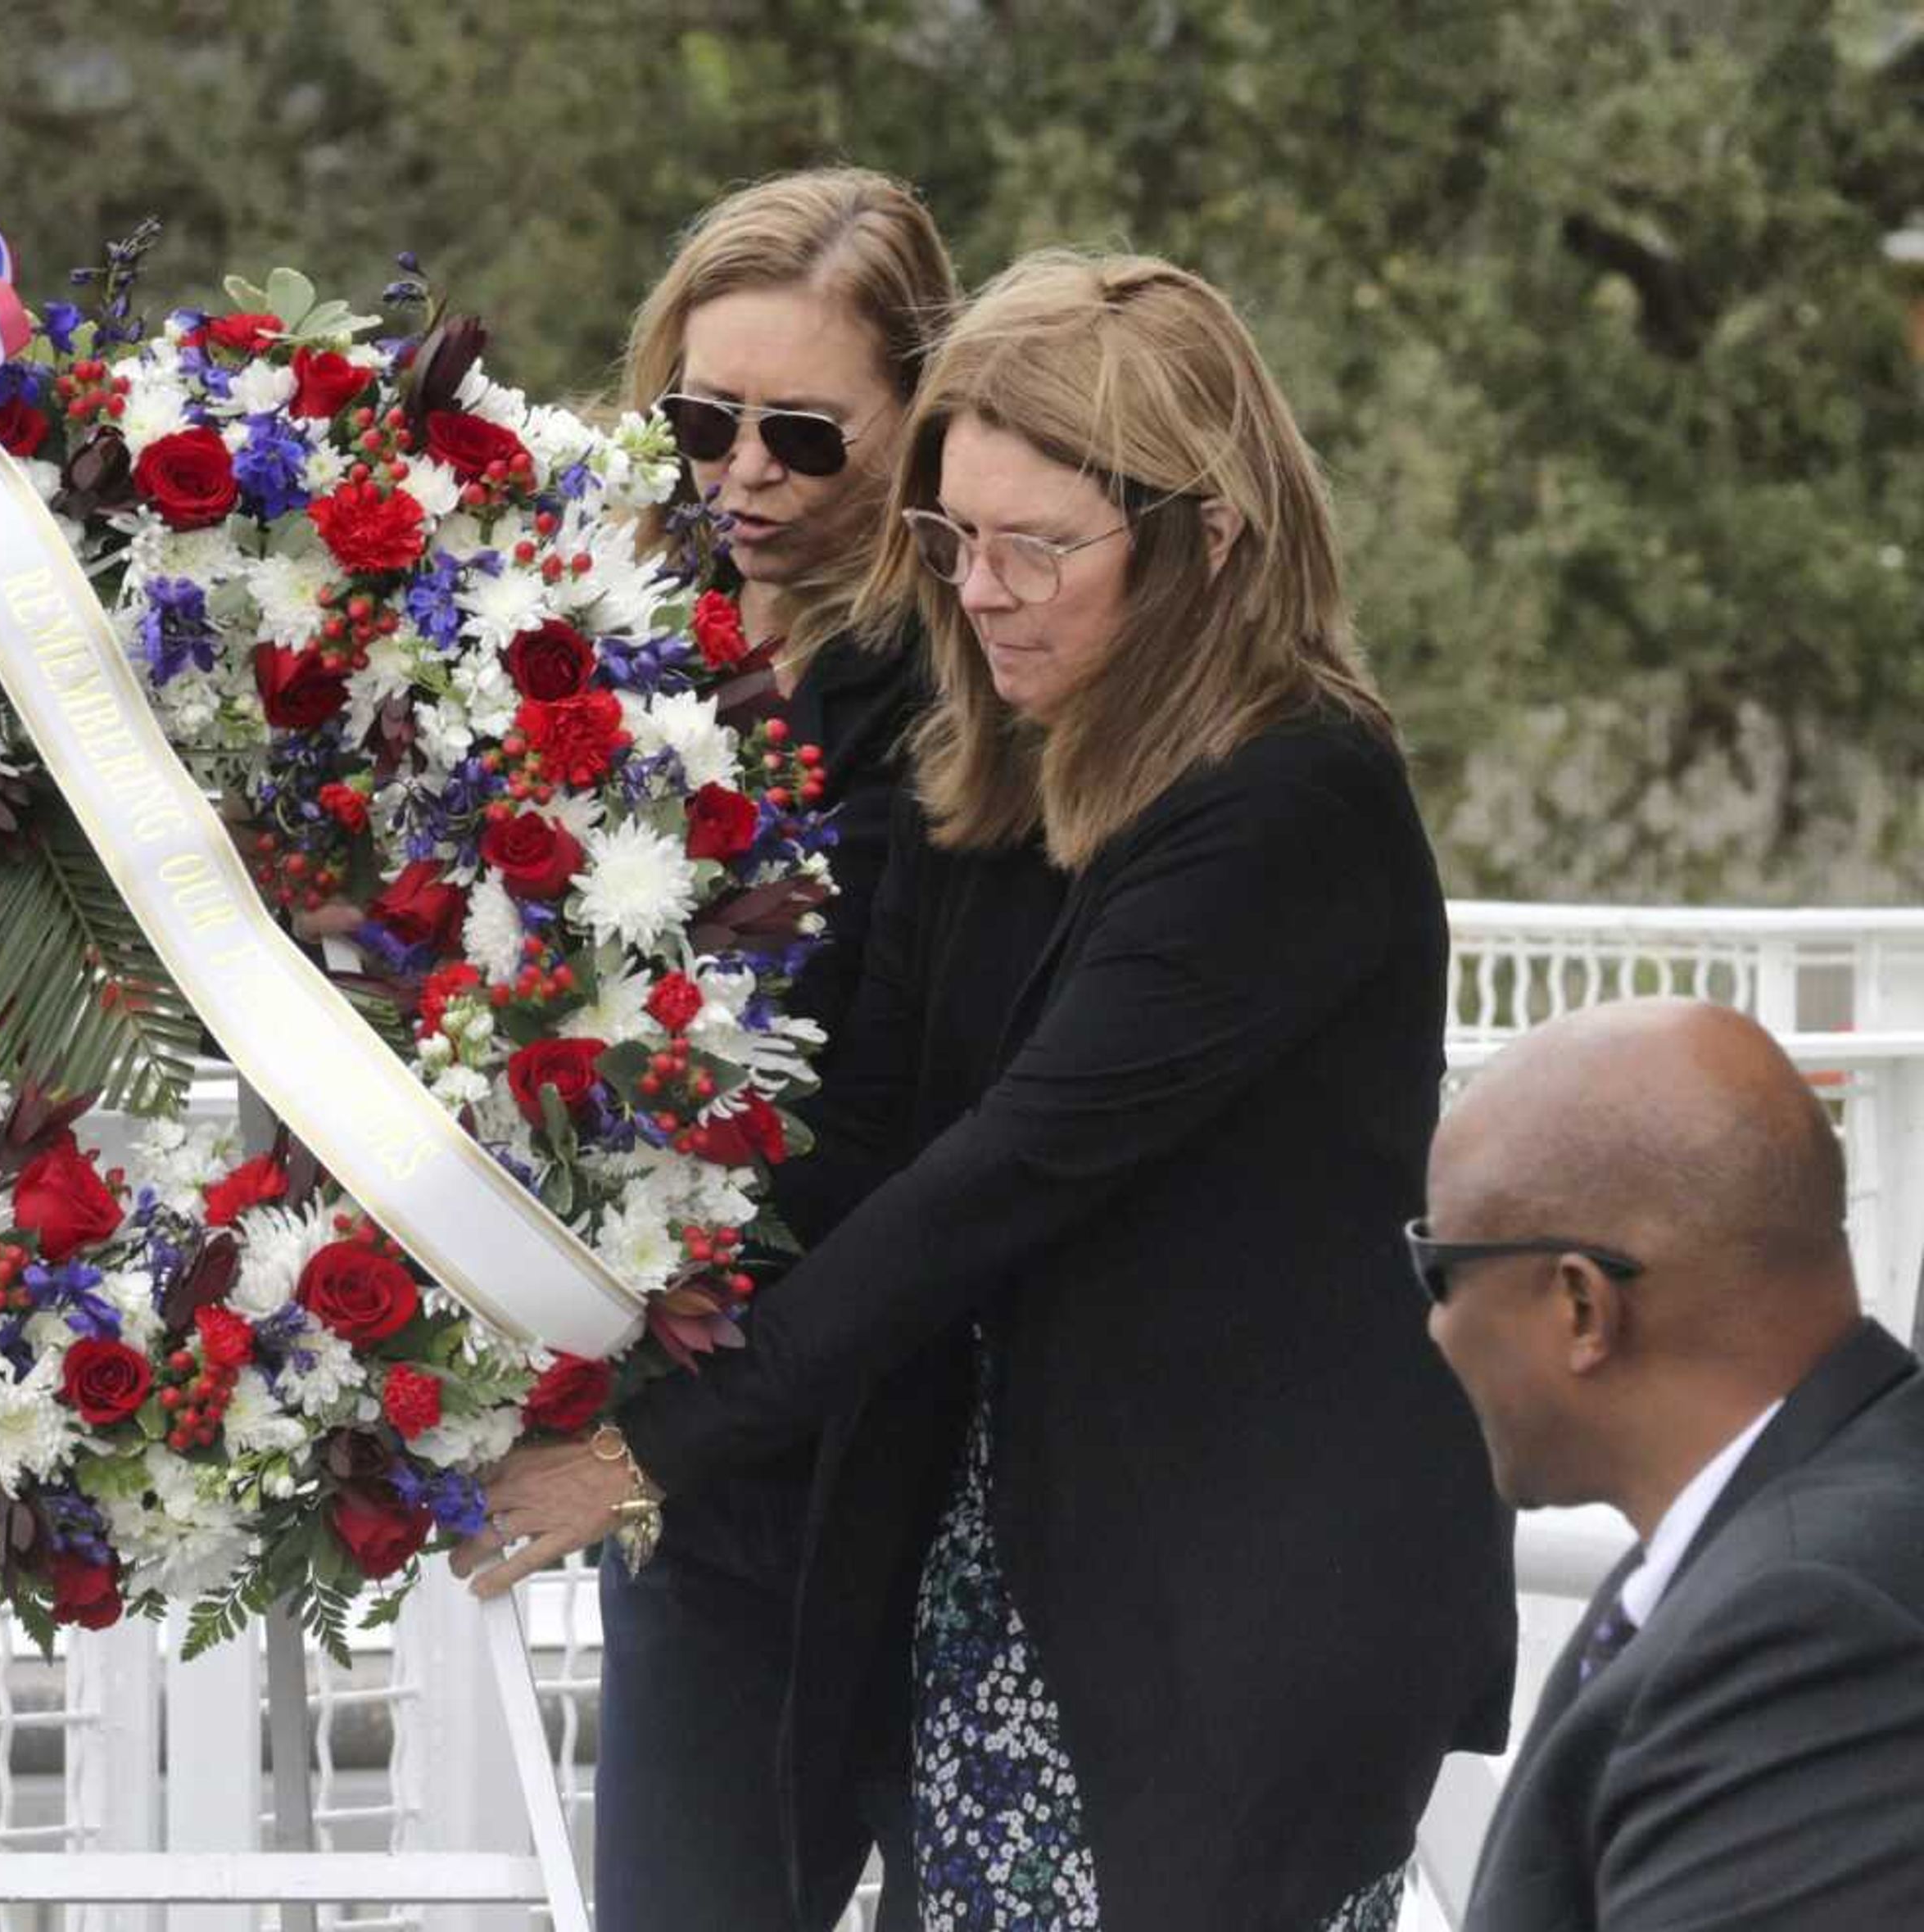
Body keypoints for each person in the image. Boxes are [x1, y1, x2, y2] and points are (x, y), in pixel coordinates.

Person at [464, 252, 1514, 1930]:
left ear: (1210, 536)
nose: (984, 591)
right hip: (1018, 1561)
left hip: (1226, 1591)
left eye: (1041, 547)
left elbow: (995, 1180)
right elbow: (863, 1132)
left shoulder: (1289, 798)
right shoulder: (1003, 756)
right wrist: (554, 1302)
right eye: (953, 542)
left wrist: (647, 1450)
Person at [591, 165, 958, 1932]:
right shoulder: (601, 634)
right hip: (698, 1445)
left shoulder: (978, 687)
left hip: (930, 1437)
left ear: (920, 426)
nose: (741, 470)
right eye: (702, 417)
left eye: (803, 437)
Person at [1423, 998, 1924, 1929]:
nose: (1433, 1327)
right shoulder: (1783, 1522)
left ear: (1581, 1307)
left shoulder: (1812, 1619)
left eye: (1438, 1272)